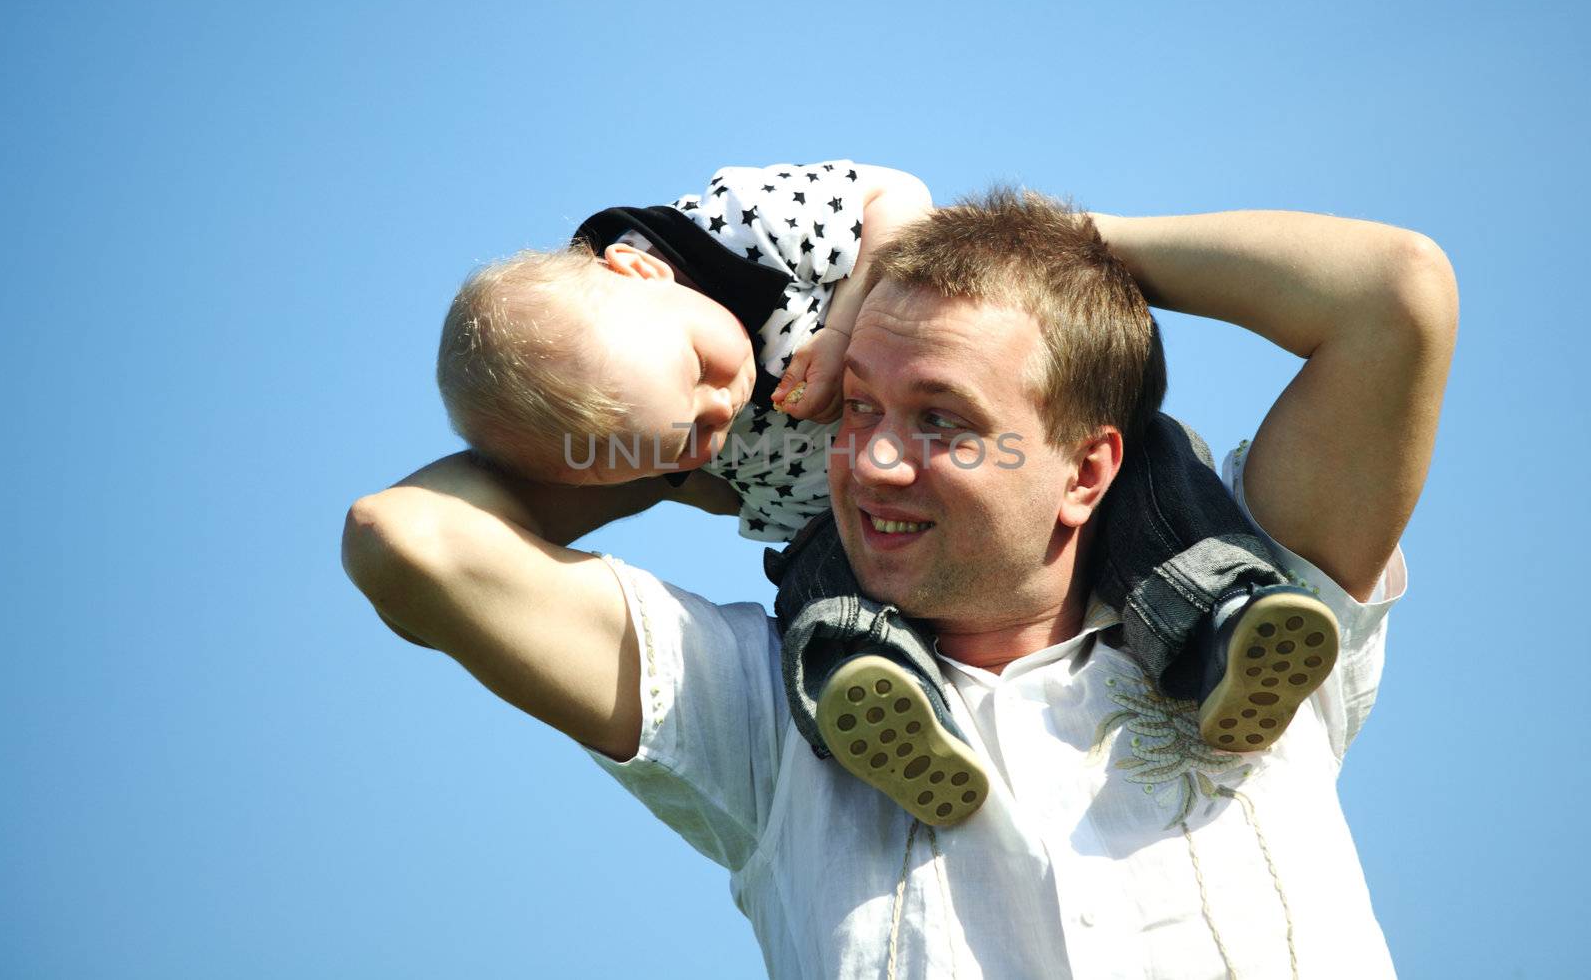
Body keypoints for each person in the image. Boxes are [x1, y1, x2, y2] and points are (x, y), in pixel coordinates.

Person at [344, 187, 1454, 977]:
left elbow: (1394, 293)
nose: (867, 458)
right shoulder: (763, 708)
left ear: (1086, 469)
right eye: (855, 407)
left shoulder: (1268, 597)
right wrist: (654, 436)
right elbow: (409, 539)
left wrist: (1061, 245)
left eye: (940, 419)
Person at [425, 164, 1342, 828]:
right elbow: (695, 491)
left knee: (1156, 473)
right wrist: (611, 462)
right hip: (850, 522)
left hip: (1008, 447)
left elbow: (893, 194)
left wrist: (851, 319)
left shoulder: (734, 226)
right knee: (818, 574)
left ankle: (1229, 622)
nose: (721, 407)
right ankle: (876, 694)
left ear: (641, 273)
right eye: (681, 440)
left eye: (702, 372)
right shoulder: (644, 426)